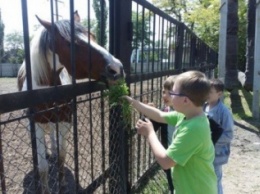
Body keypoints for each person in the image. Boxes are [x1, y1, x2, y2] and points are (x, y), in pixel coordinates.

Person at [124, 70, 217, 194]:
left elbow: (166, 161)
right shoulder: (188, 115)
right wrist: (133, 102)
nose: (170, 96)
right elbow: (160, 115)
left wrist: (150, 133)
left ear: (185, 100)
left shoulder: (194, 128)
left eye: (173, 93)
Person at [204, 78, 234, 194]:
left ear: (219, 94)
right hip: (205, 152)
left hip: (217, 154)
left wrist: (211, 140)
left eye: (210, 92)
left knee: (215, 180)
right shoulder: (203, 107)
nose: (207, 94)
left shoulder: (224, 112)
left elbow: (229, 134)